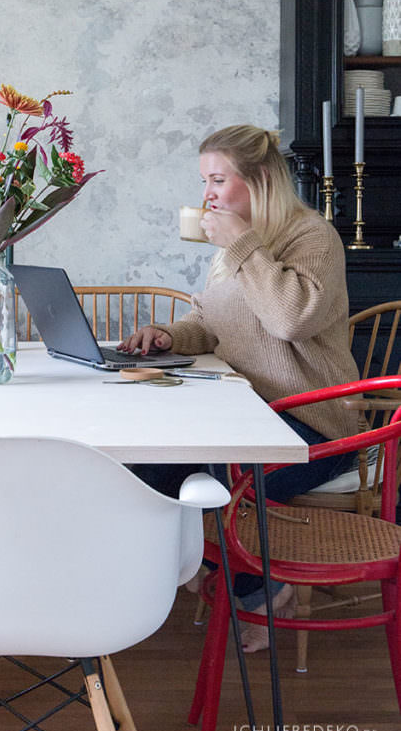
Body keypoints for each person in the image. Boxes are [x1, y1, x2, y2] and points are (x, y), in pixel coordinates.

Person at [117, 124, 360, 651]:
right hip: (250, 418)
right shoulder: (235, 247)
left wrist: (244, 246)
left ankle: (254, 588)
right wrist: (167, 335)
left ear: (261, 180)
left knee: (198, 477)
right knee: (145, 464)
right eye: (204, 181)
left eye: (217, 180)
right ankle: (222, 577)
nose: (206, 194)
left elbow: (290, 319)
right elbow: (209, 322)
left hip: (313, 429)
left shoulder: (311, 238)